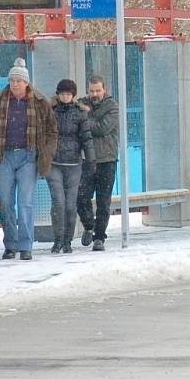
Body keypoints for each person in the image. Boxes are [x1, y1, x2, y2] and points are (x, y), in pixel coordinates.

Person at [0, 58, 57, 261]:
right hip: (3, 156)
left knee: (25, 202)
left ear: (26, 83)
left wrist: (46, 154)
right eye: (12, 80)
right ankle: (10, 244)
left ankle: (26, 245)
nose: (14, 84)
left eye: (18, 80)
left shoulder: (40, 103)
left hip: (28, 156)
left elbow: (51, 131)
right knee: (5, 203)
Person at [47, 79, 96, 254]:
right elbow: (43, 137)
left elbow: (87, 138)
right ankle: (58, 239)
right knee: (58, 203)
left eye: (68, 94)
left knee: (70, 205)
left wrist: (91, 160)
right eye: (62, 94)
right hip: (54, 163)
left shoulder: (80, 113)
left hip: (74, 164)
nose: (65, 97)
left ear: (73, 96)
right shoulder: (50, 112)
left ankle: (67, 240)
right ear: (58, 95)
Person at [76, 75, 119, 251]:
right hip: (87, 159)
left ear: (104, 90)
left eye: (98, 90)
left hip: (106, 159)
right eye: (92, 90)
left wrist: (86, 115)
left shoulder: (112, 107)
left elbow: (102, 128)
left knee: (103, 201)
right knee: (80, 197)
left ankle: (99, 237)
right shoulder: (80, 104)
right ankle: (89, 226)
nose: (94, 94)